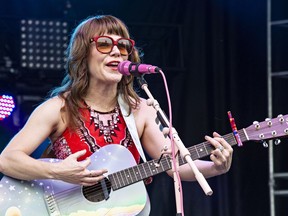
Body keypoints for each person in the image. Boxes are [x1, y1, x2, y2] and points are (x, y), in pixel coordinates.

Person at [0, 15, 233, 215]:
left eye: (123, 46)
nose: (116, 51)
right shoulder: (58, 108)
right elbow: (7, 159)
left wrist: (216, 168)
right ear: (83, 54)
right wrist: (57, 171)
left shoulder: (140, 109)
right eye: (103, 43)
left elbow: (173, 165)